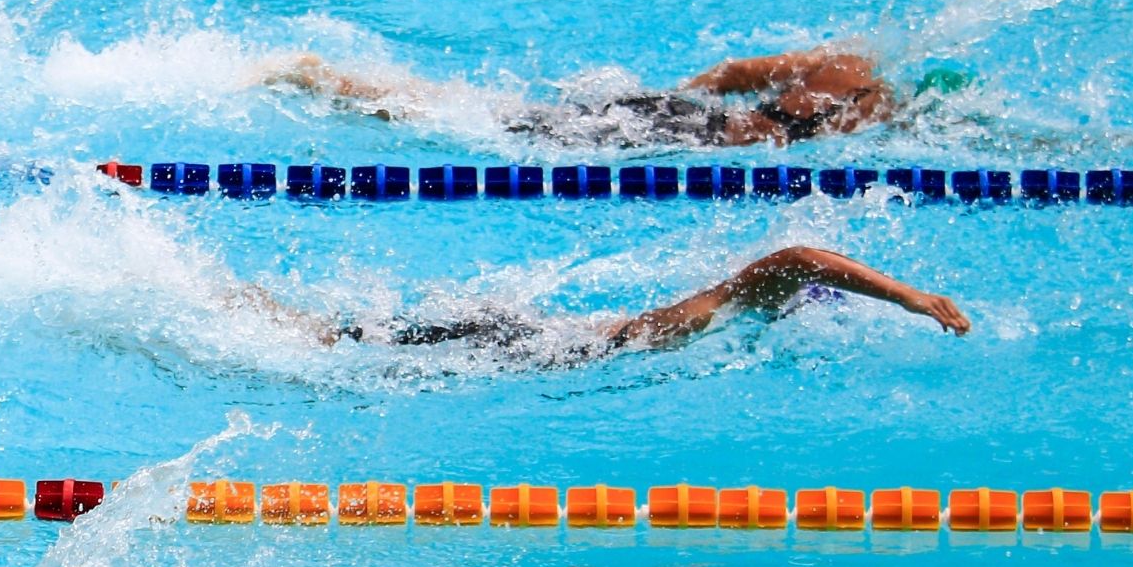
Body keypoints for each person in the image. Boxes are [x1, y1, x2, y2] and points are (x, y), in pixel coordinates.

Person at [237, 245, 969, 369]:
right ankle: (256, 312)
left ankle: (268, 313)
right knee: (330, 343)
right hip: (522, 341)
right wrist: (907, 297)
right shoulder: (725, 307)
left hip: (533, 339)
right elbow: (794, 259)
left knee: (348, 337)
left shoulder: (725, 321)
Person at [263, 49, 971, 148]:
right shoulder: (877, 109)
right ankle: (331, 82)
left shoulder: (843, 61)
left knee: (511, 115)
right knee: (506, 129)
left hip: (680, 114)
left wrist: (673, 98)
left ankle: (344, 81)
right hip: (690, 138)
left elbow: (729, 72)